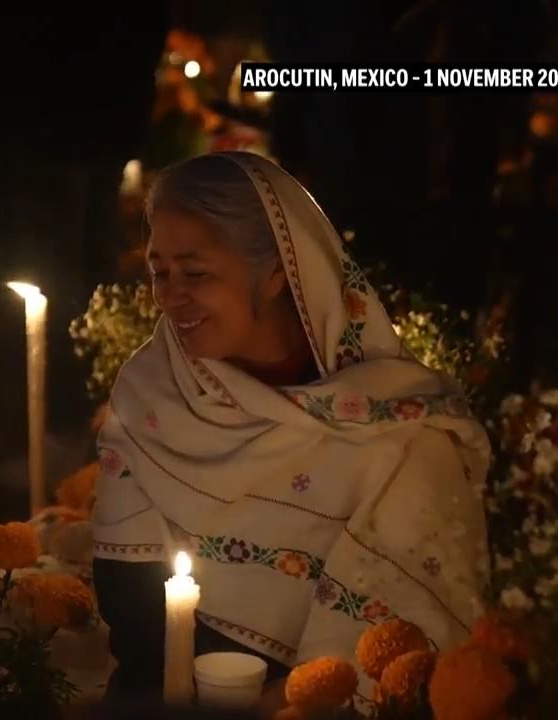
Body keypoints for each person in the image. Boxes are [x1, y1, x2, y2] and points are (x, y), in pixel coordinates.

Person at [91, 152, 490, 709]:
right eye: (160, 272)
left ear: (278, 271)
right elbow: (127, 603)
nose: (170, 296)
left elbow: (406, 657)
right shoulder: (153, 391)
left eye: (196, 273)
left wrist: (282, 698)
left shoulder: (401, 437)